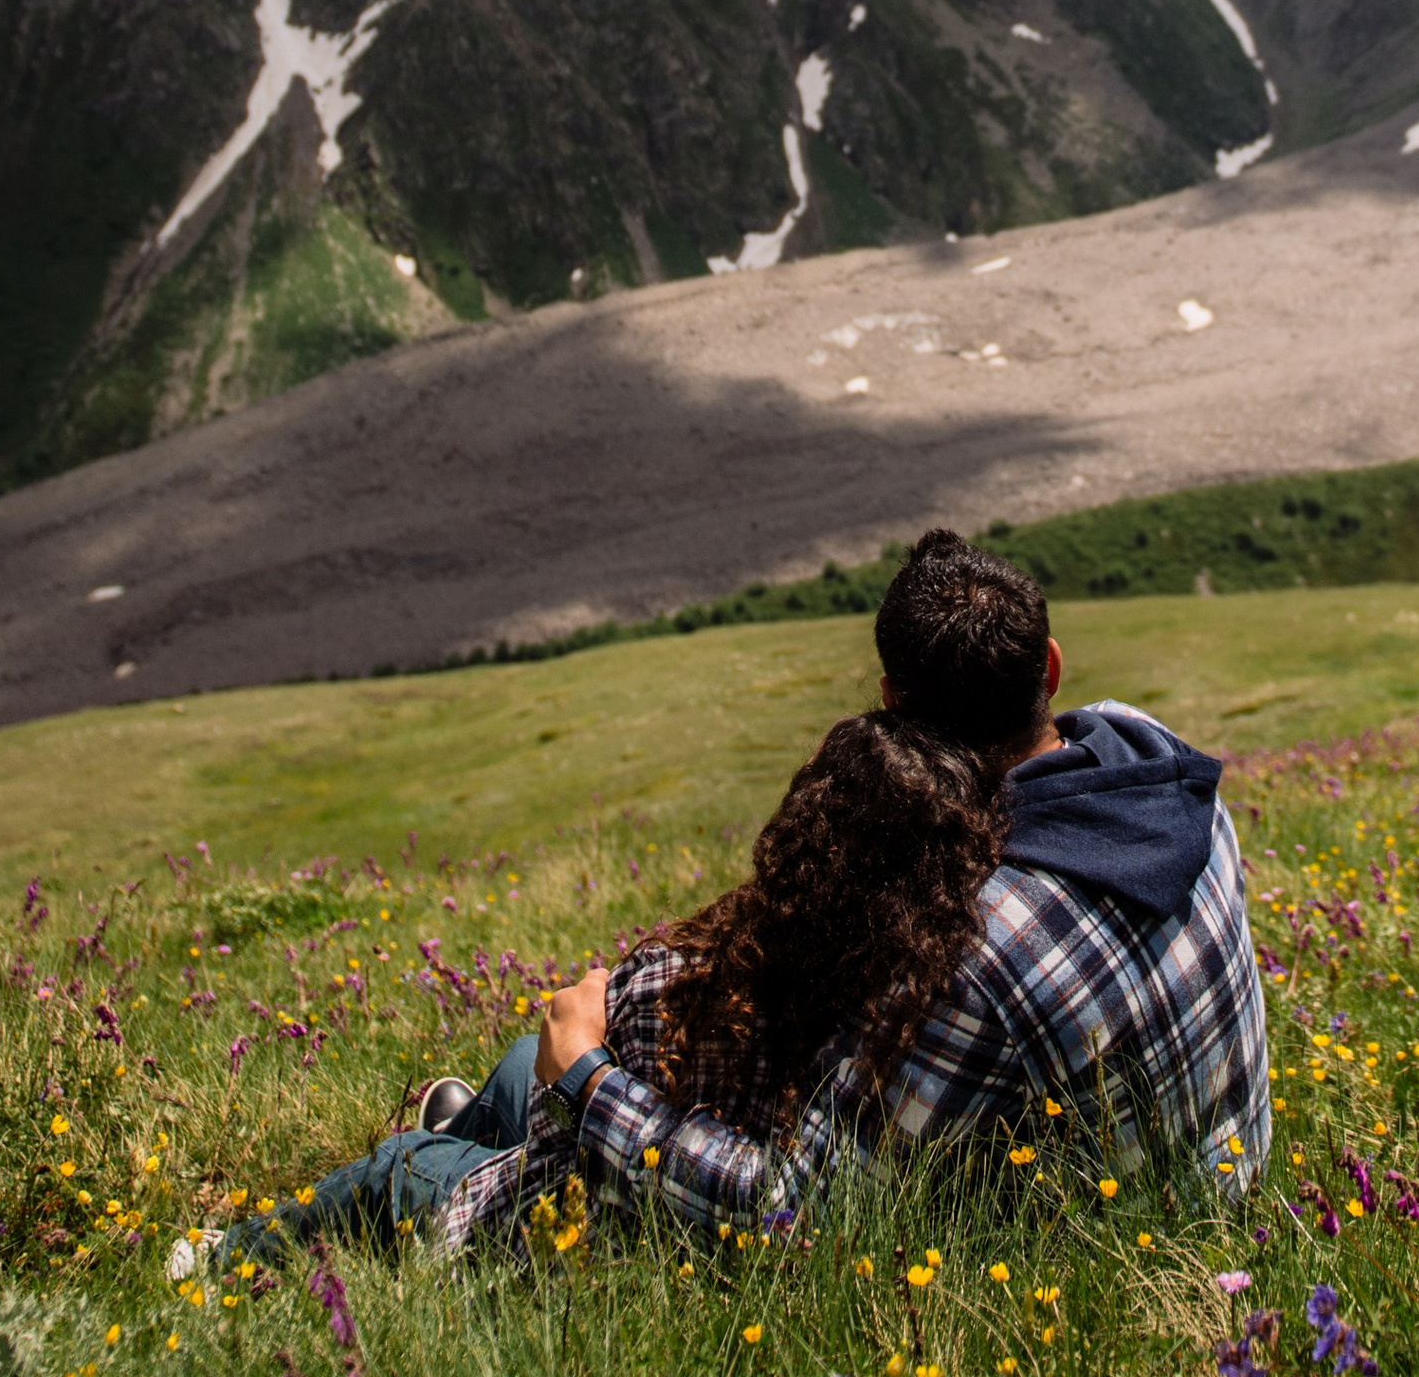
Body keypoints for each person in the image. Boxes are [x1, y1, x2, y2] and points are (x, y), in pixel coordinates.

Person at [238, 529, 1269, 1266]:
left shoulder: (975, 952)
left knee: (461, 1129)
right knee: (523, 1067)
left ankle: (261, 1243)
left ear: (892, 704)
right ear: (1049, 668)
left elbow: (799, 1213)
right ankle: (493, 1124)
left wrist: (595, 1082)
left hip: (1088, 1258)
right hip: (1212, 1193)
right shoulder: (1157, 765)